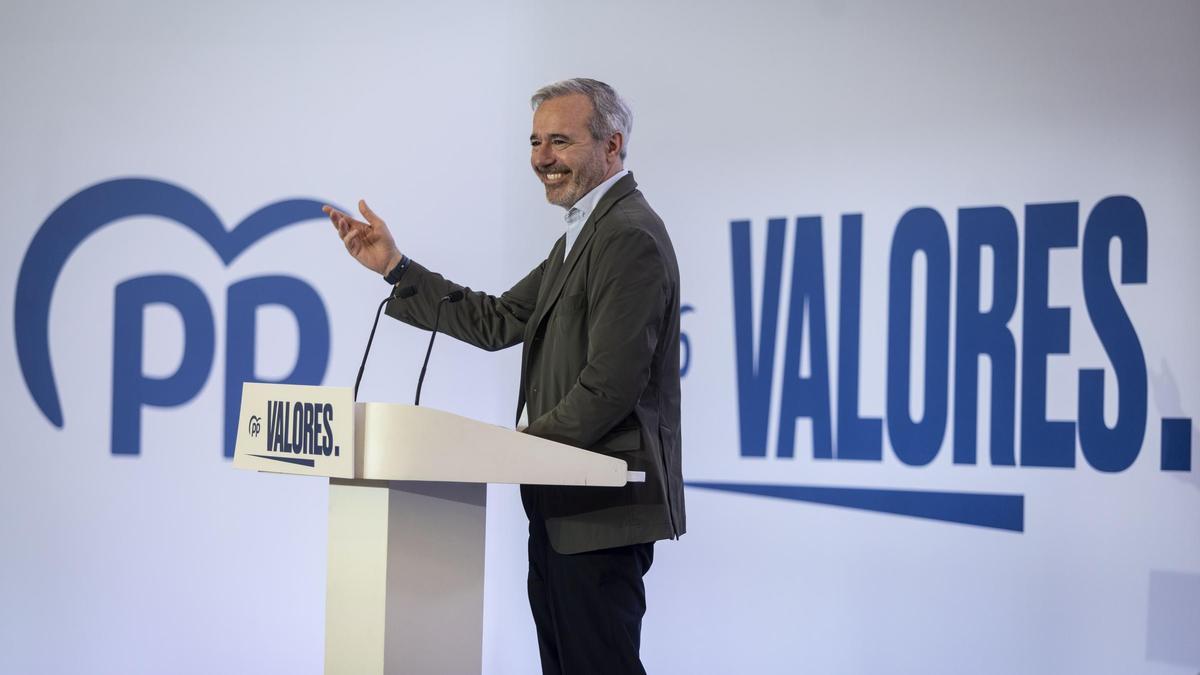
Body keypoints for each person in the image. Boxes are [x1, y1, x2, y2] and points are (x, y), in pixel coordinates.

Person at [324, 77, 684, 675]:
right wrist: (396, 268)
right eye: (536, 141)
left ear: (612, 145)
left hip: (599, 513)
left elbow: (610, 385)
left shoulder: (627, 236)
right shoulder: (585, 233)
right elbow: (498, 320)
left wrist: (518, 450)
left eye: (560, 141)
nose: (542, 158)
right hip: (562, 504)